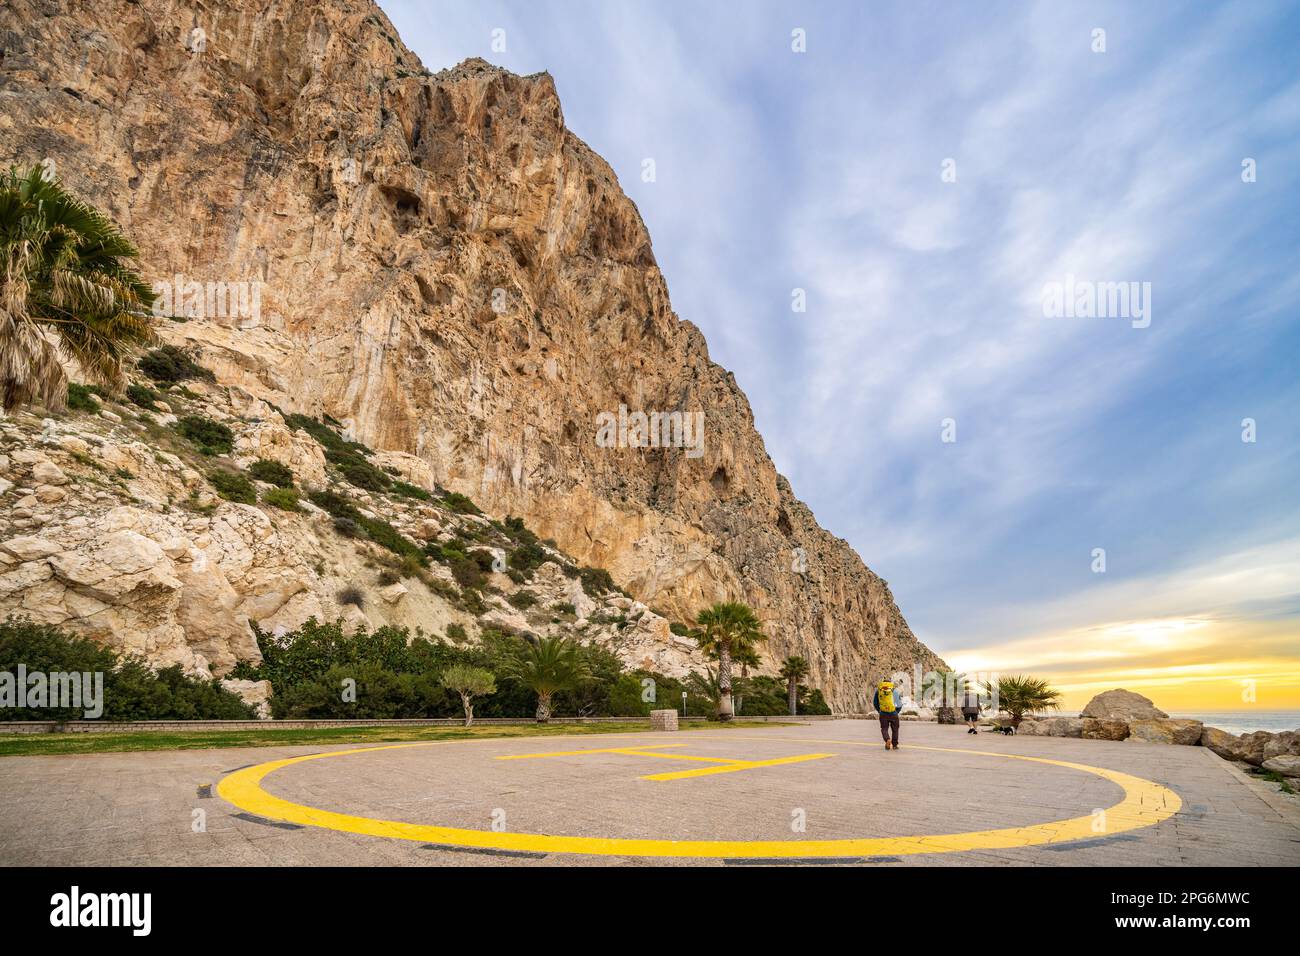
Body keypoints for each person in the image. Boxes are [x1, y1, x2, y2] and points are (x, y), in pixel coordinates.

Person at [874, 679, 901, 750]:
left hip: (883, 713)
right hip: (893, 713)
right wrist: (896, 712)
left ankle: (887, 739)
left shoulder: (879, 690)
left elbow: (875, 703)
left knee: (884, 728)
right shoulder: (894, 691)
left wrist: (879, 711)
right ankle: (895, 745)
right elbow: (899, 704)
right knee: (895, 729)